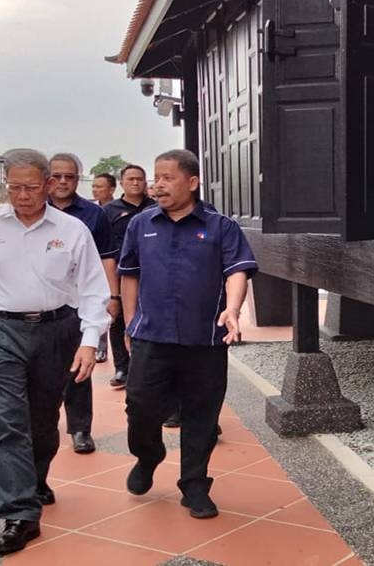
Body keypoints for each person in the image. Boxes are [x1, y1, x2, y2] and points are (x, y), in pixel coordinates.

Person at [0, 148, 109, 556]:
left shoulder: (72, 230)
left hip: (56, 331)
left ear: (49, 184)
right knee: (6, 422)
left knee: (42, 420)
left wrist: (90, 340)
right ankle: (19, 513)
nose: (22, 195)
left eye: (31, 187)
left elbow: (93, 288)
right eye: (15, 187)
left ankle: (35, 479)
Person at [119, 149, 258, 519]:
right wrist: (130, 321)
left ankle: (194, 484)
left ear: (192, 182)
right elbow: (129, 272)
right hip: (152, 336)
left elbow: (236, 271)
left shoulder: (220, 226)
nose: (157, 185)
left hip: (205, 340)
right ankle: (148, 456)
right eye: (156, 177)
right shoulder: (141, 223)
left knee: (201, 415)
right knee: (141, 408)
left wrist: (232, 308)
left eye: (167, 178)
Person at [47, 153, 120, 454]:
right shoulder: (33, 210)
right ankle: (44, 428)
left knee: (78, 365)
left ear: (78, 179)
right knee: (42, 372)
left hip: (79, 303)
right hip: (43, 303)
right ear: (48, 178)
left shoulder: (93, 214)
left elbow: (107, 257)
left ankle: (80, 429)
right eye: (57, 176)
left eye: (70, 176)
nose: (63, 182)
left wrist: (112, 297)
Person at [101, 164, 154, 388]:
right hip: (120, 272)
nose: (135, 183)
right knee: (119, 318)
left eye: (140, 179)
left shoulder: (155, 207)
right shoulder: (109, 211)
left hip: (151, 273)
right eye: (130, 179)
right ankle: (122, 366)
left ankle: (147, 366)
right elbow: (105, 248)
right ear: (122, 182)